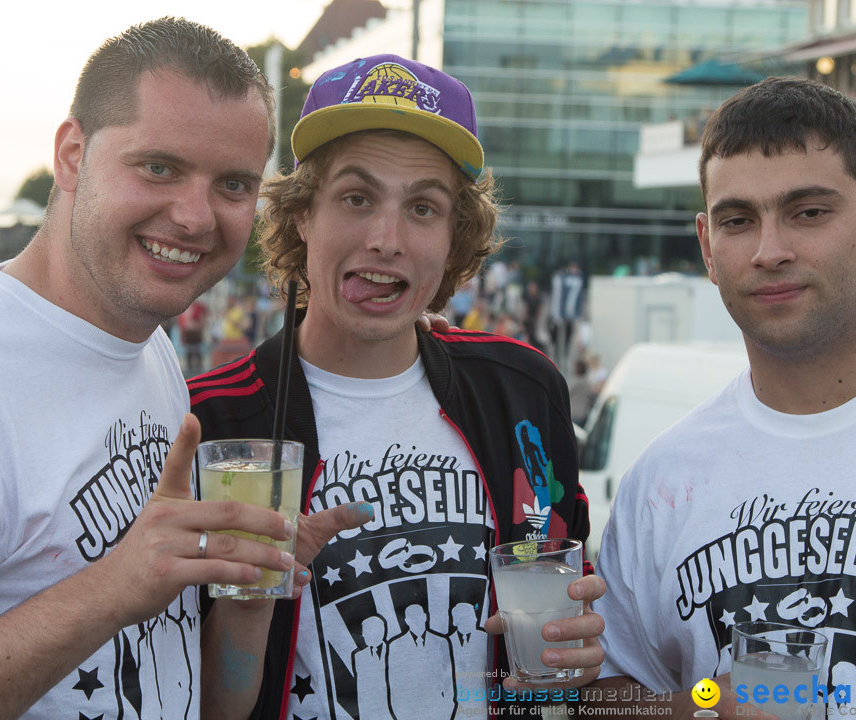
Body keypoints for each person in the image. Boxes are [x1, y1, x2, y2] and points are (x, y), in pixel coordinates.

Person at [0, 18, 367, 720]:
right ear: (71, 155)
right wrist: (109, 590)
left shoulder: (148, 346)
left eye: (233, 184)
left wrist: (252, 587)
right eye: (159, 167)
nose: (194, 216)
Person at [188, 53, 605, 719]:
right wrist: (253, 595)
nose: (386, 239)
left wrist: (579, 657)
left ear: (453, 237)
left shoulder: (523, 392)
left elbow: (573, 650)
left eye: (423, 207)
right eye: (356, 198)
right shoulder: (211, 422)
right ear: (303, 216)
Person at [587, 77, 856, 719]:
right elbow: (610, 696)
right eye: (738, 221)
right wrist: (698, 707)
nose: (770, 251)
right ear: (708, 248)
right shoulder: (660, 482)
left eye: (809, 212)